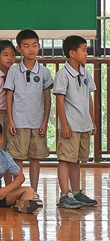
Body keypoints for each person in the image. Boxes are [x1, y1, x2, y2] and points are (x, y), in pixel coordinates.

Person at [4, 29, 53, 202]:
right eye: (26, 46)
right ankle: (18, 192)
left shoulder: (44, 71)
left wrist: (45, 121)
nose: (31, 49)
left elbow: (47, 98)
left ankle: (33, 192)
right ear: (19, 49)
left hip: (37, 121)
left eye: (34, 45)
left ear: (39, 46)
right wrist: (11, 120)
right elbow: (9, 96)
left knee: (35, 158)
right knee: (17, 159)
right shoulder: (14, 71)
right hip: (18, 121)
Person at [53, 35, 98, 210]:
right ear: (72, 53)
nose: (87, 53)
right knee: (65, 159)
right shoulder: (63, 74)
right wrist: (64, 124)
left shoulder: (85, 73)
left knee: (76, 160)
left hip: (83, 123)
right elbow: (59, 100)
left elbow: (89, 97)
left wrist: (91, 121)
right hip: (70, 125)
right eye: (84, 50)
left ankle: (76, 192)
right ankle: (65, 195)